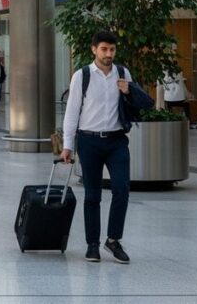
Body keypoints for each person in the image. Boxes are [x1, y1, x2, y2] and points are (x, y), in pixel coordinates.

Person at [61, 31, 135, 264]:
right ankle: (92, 244)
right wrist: (67, 145)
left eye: (112, 50)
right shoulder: (81, 76)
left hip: (116, 140)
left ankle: (113, 240)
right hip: (89, 140)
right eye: (104, 49)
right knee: (92, 195)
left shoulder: (123, 74)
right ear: (94, 49)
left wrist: (129, 91)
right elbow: (72, 112)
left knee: (121, 189)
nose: (108, 54)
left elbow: (135, 106)